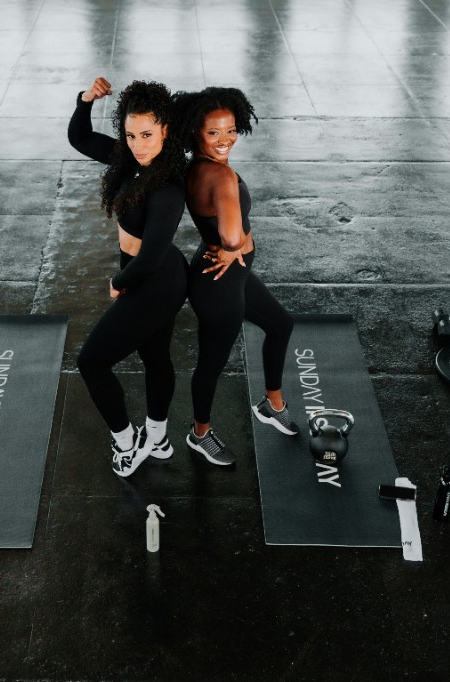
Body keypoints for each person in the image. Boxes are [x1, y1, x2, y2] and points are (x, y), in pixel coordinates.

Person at [68, 76, 189, 477]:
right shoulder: (129, 158)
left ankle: (128, 441)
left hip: (155, 280)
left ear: (165, 130)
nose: (138, 143)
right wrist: (86, 100)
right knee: (155, 357)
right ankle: (158, 437)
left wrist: (119, 284)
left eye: (148, 134)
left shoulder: (168, 185)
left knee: (92, 362)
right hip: (144, 271)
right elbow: (80, 138)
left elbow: (151, 257)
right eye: (131, 134)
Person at [172, 87, 297, 466]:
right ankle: (200, 434)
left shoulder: (194, 166)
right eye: (214, 133)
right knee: (212, 361)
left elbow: (231, 235)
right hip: (218, 284)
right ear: (196, 132)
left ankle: (272, 404)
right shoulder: (220, 176)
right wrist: (240, 242)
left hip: (229, 274)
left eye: (230, 131)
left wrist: (237, 245)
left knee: (280, 324)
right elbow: (231, 236)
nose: (225, 140)